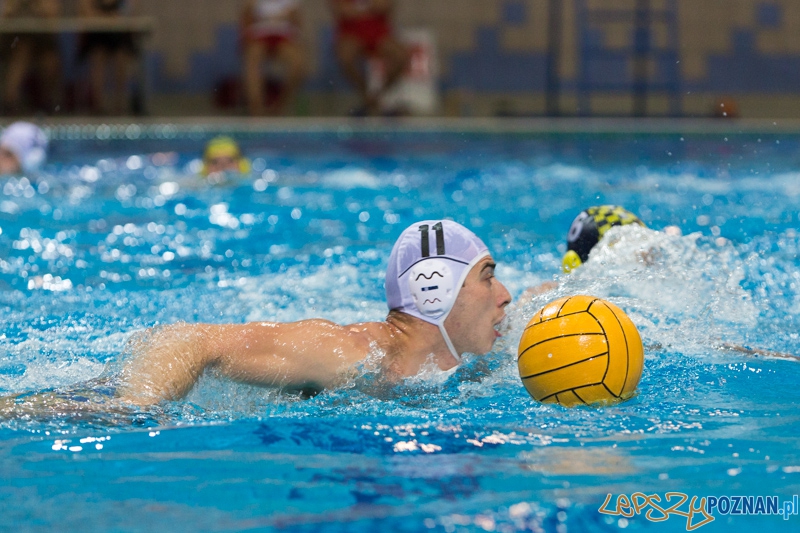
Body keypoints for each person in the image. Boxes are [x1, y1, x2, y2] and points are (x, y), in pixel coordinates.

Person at [116, 219, 511, 405]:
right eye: (487, 276)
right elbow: (187, 340)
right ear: (433, 288)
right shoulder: (352, 355)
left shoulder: (479, 362)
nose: (505, 295)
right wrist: (134, 412)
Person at [329, 0, 410, 115]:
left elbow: (384, 6)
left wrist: (357, 9)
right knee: (345, 57)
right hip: (351, 32)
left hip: (378, 31)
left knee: (401, 56)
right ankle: (366, 93)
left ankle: (376, 96)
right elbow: (343, 11)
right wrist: (370, 8)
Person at [240, 0, 307, 116]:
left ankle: (279, 105)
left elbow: (296, 19)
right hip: (259, 32)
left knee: (299, 65)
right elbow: (245, 17)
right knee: (252, 61)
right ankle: (256, 109)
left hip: (283, 33)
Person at [77, 0, 139, 115]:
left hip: (118, 35)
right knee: (98, 57)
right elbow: (86, 14)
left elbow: (129, 13)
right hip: (97, 35)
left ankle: (119, 104)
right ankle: (97, 105)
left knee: (121, 59)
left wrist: (105, 17)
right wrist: (108, 18)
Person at [1, 0, 62, 115]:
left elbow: (52, 17)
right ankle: (10, 102)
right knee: (23, 51)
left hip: (42, 39)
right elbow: (7, 15)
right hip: (16, 38)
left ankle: (45, 104)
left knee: (50, 62)